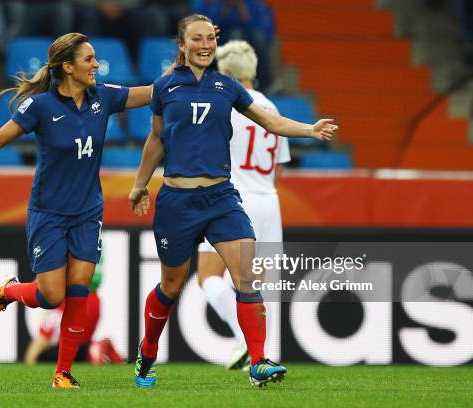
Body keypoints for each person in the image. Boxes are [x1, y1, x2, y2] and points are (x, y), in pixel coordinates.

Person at [128, 14, 337, 388]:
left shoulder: (227, 87)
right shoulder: (164, 87)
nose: (205, 45)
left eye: (210, 38)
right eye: (197, 39)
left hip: (222, 197)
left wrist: (309, 129)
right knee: (171, 287)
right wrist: (140, 184)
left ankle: (258, 361)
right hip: (177, 200)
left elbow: (270, 123)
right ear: (182, 44)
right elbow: (156, 139)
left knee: (246, 276)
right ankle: (147, 351)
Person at [0, 32, 155, 389]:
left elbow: (151, 92)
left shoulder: (103, 96)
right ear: (68, 67)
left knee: (80, 290)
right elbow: (0, 138)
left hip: (88, 211)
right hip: (49, 213)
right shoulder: (41, 106)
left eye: (95, 58)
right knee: (51, 296)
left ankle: (63, 372)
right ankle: (10, 291)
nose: (96, 65)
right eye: (88, 59)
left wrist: (185, 70)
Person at [195, 39, 289, 370]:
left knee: (208, 276)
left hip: (234, 199)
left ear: (229, 74)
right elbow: (279, 165)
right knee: (254, 286)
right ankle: (260, 351)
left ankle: (246, 339)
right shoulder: (273, 109)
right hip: (268, 200)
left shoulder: (229, 105)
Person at [24, 270, 124, 365]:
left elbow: (44, 337)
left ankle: (91, 350)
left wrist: (31, 357)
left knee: (41, 356)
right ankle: (95, 349)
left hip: (75, 305)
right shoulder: (95, 297)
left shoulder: (64, 299)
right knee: (77, 343)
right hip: (90, 302)